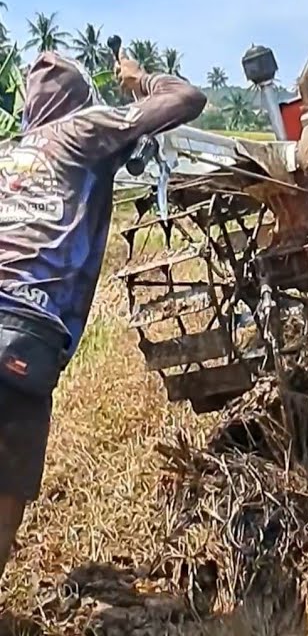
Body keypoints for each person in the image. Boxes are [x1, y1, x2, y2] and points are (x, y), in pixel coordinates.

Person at [0, 53, 206, 580]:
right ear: (77, 100)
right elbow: (186, 100)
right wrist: (142, 81)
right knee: (4, 498)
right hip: (24, 331)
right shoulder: (83, 128)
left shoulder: (7, 155)